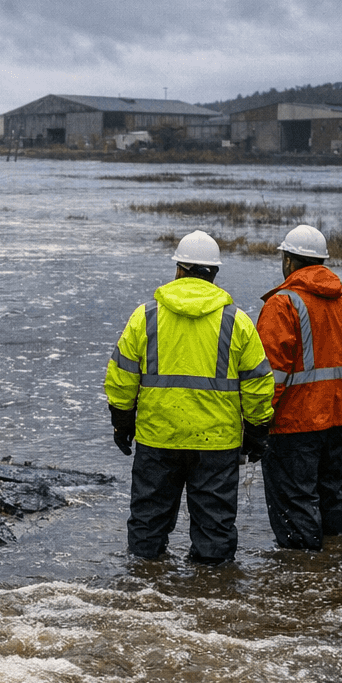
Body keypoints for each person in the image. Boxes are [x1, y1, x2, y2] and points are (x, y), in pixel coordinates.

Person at [104, 230, 275, 564]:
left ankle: (143, 594)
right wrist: (256, 431)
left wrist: (122, 423)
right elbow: (258, 384)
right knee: (215, 531)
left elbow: (121, 376)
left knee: (147, 527)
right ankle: (212, 599)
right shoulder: (236, 321)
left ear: (179, 269)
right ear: (213, 274)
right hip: (217, 444)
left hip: (158, 438)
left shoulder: (146, 316)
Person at [256, 224, 342, 551]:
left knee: (296, 501)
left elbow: (270, 376)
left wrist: (257, 422)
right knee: (331, 494)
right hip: (338, 420)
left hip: (294, 425)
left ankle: (304, 579)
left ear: (290, 262)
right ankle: (334, 561)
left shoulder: (282, 304)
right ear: (321, 262)